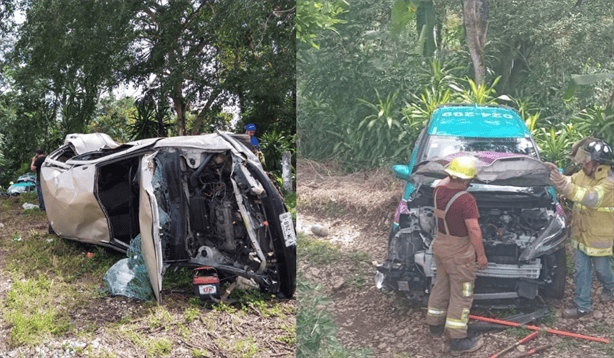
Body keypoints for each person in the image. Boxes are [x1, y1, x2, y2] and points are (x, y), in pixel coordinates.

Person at [425, 155, 488, 356]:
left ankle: (434, 325)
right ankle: (458, 339)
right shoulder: (466, 200)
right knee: (462, 293)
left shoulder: (439, 191)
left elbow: (446, 181)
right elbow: (474, 230)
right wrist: (481, 255)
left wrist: (451, 168)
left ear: (451, 175)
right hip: (459, 252)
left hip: (441, 244)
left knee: (441, 284)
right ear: (467, 180)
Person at [546, 138, 614, 319]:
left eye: (587, 161)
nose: (584, 164)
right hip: (581, 234)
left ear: (598, 163)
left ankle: (610, 286)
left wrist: (565, 186)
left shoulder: (609, 183)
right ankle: (583, 305)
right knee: (581, 270)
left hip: (599, 237)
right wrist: (556, 174)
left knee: (602, 270)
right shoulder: (583, 174)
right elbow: (569, 181)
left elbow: (592, 198)